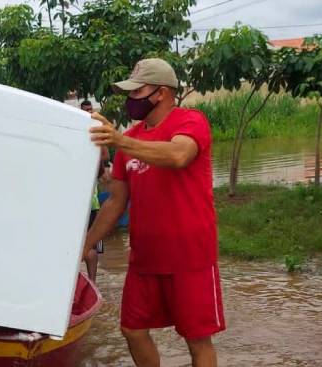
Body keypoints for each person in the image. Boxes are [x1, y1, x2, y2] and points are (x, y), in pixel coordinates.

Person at [84, 58, 224, 367]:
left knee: (197, 339)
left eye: (137, 92)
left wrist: (120, 140)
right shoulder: (132, 139)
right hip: (145, 257)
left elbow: (178, 155)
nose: (130, 99)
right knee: (132, 330)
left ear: (161, 93)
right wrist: (85, 245)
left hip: (190, 256)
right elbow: (115, 202)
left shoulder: (190, 121)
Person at [80, 99, 106, 282]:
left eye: (90, 110)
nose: (89, 113)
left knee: (89, 244)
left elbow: (104, 156)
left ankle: (92, 283)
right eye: (86, 110)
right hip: (86, 201)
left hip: (91, 201)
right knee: (89, 244)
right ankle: (92, 283)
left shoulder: (97, 131)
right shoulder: (86, 131)